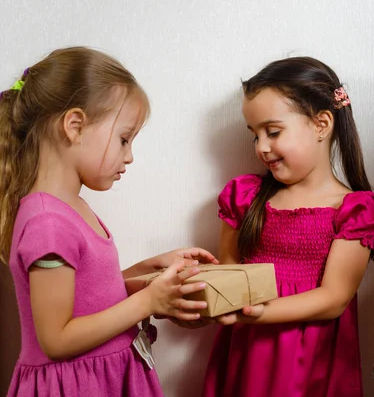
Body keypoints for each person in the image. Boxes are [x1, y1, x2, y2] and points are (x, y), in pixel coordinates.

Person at [0, 47, 218, 397]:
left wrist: (149, 269)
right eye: (123, 139)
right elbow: (56, 338)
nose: (129, 156)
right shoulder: (47, 222)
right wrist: (148, 303)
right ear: (74, 126)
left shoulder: (69, 208)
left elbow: (88, 294)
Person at [202, 57, 374, 397]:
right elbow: (227, 275)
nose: (261, 147)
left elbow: (333, 299)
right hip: (248, 356)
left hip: (310, 365)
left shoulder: (354, 210)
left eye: (272, 132)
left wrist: (251, 315)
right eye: (254, 135)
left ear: (321, 124)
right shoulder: (245, 197)